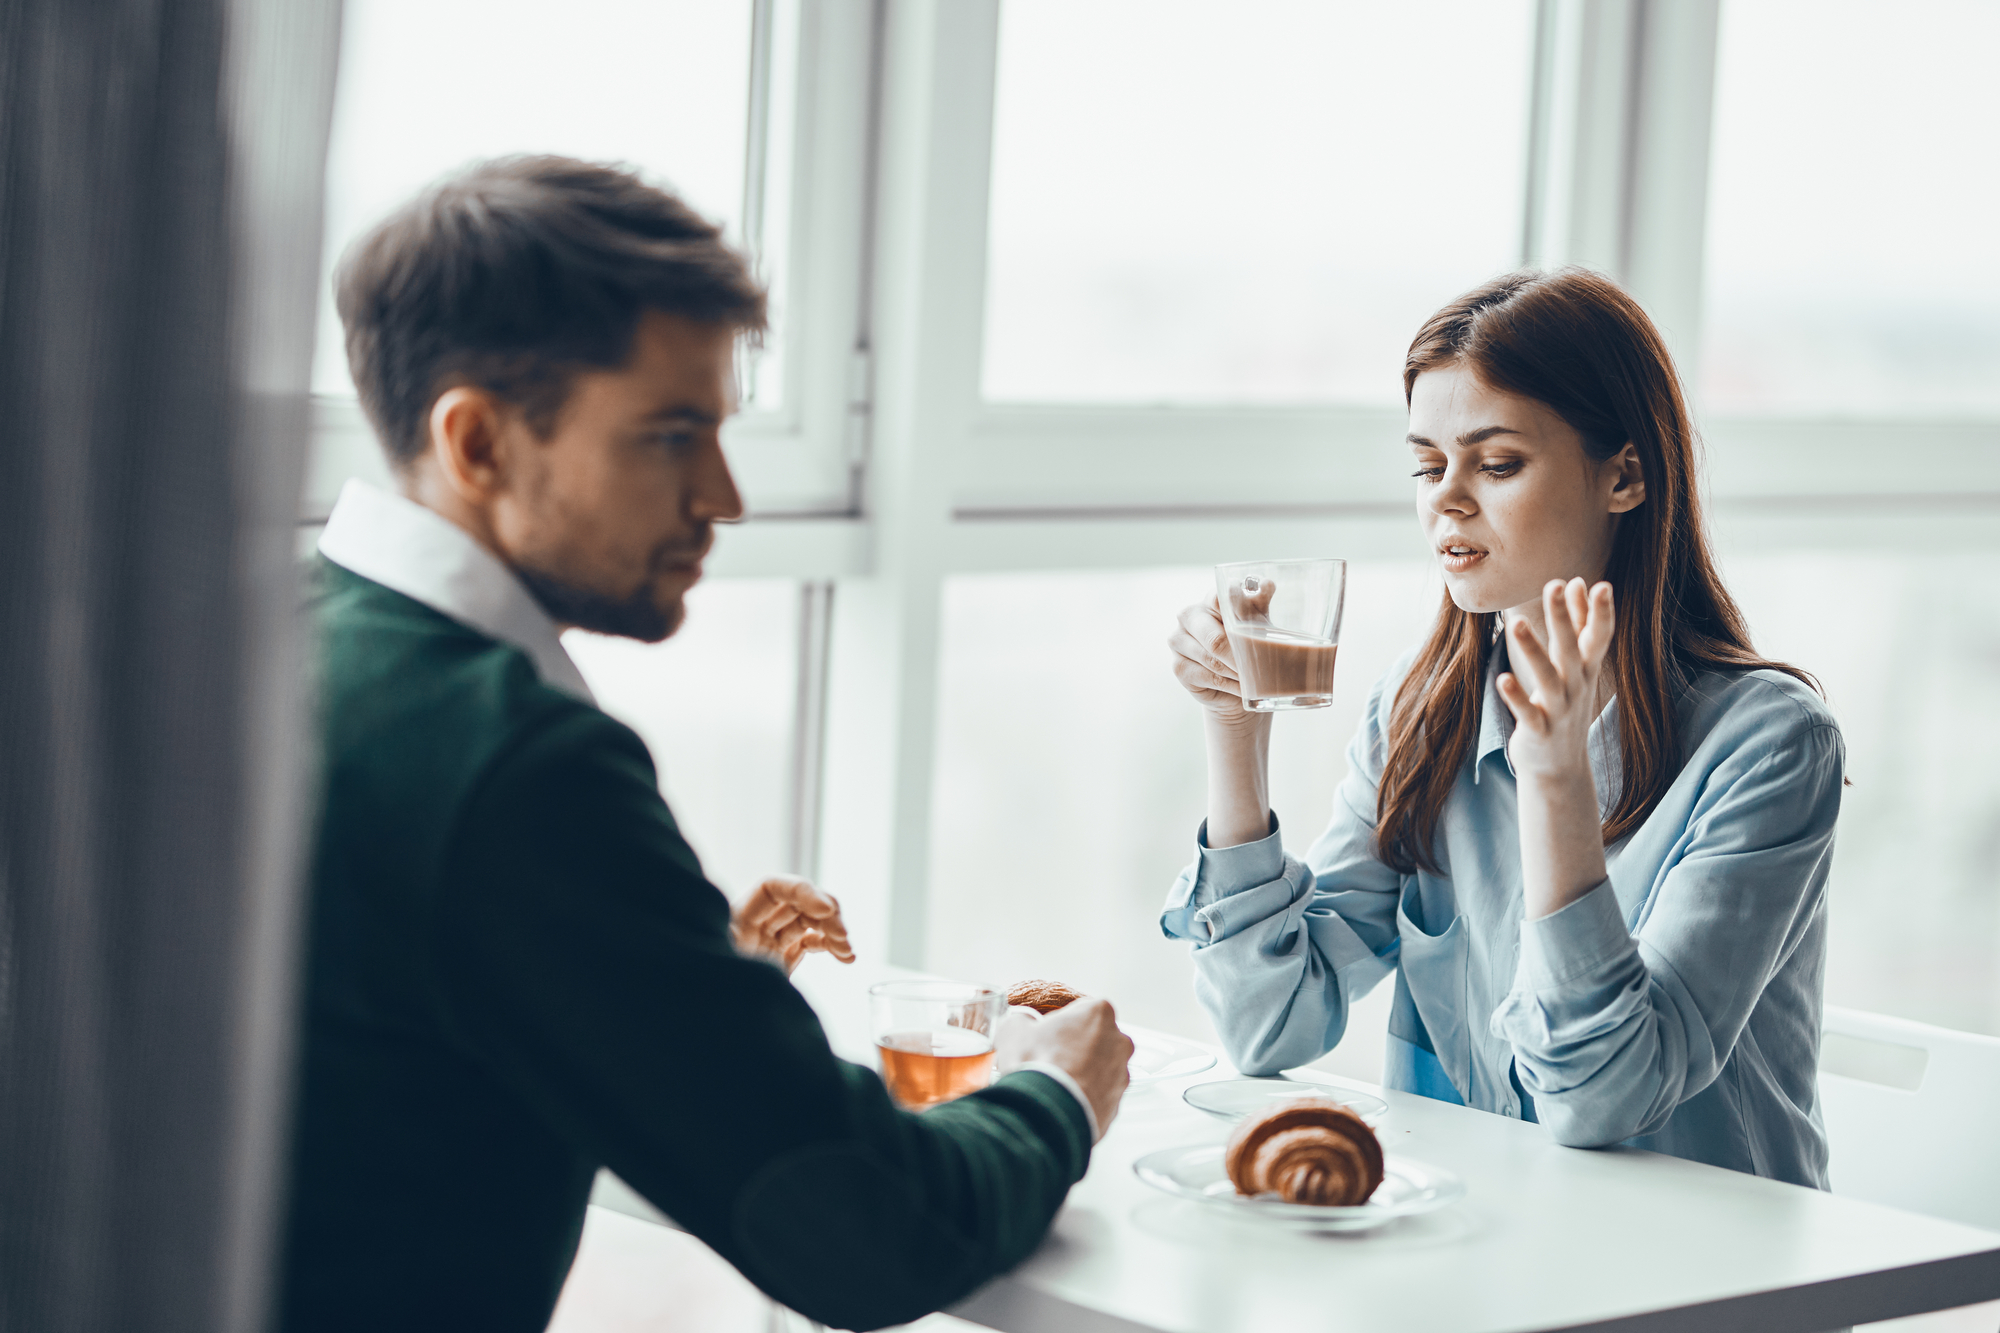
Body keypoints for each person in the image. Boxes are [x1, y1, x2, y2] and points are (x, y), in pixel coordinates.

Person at [281, 155, 1132, 1333]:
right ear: (476, 444)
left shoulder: (252, 643)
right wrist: (1057, 1090)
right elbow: (870, 1233)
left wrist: (672, 980)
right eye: (670, 435)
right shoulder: (519, 769)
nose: (724, 496)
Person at [1163, 269, 1843, 1188]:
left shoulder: (1769, 743)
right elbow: (1268, 1024)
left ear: (1626, 475)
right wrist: (1234, 734)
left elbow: (1603, 1097)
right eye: (1426, 464)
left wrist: (1556, 777)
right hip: (1481, 1243)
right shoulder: (1421, 708)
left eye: (1496, 463)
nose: (1446, 499)